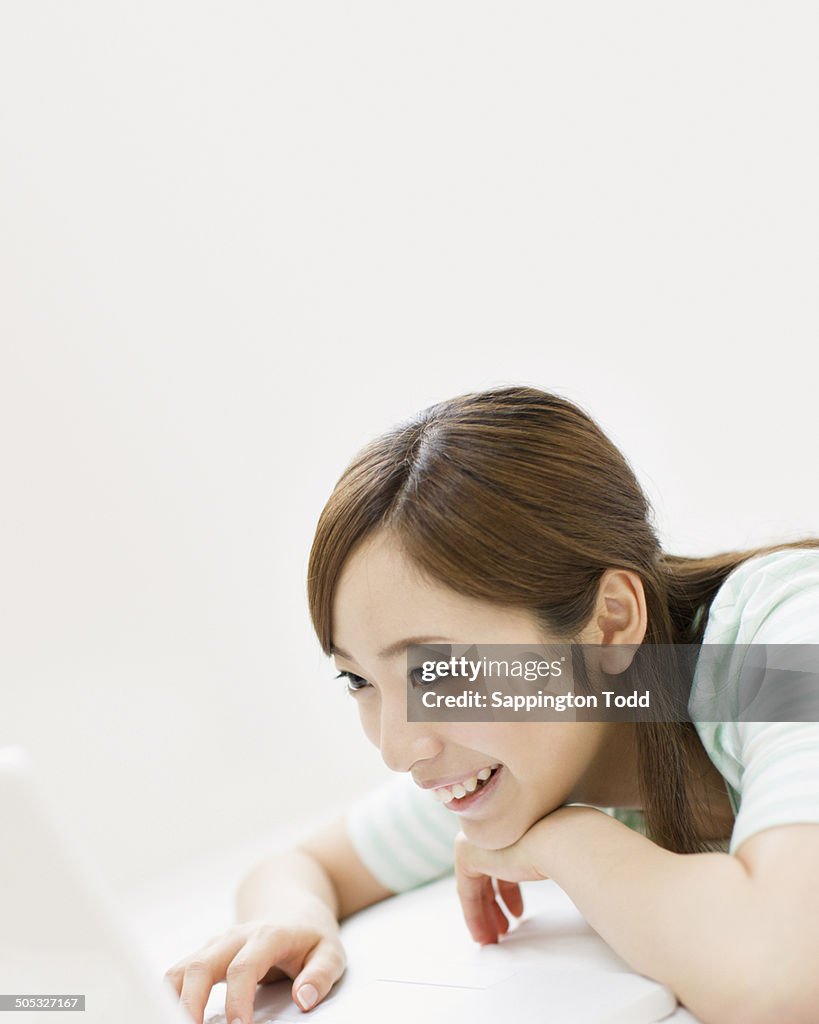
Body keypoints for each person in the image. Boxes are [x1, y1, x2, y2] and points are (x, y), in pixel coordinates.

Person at [165, 385, 819, 1024]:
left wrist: (573, 841)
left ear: (611, 623)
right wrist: (293, 920)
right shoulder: (535, 749)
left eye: (441, 670)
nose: (398, 749)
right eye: (357, 681)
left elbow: (782, 981)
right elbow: (301, 865)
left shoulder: (780, 641)